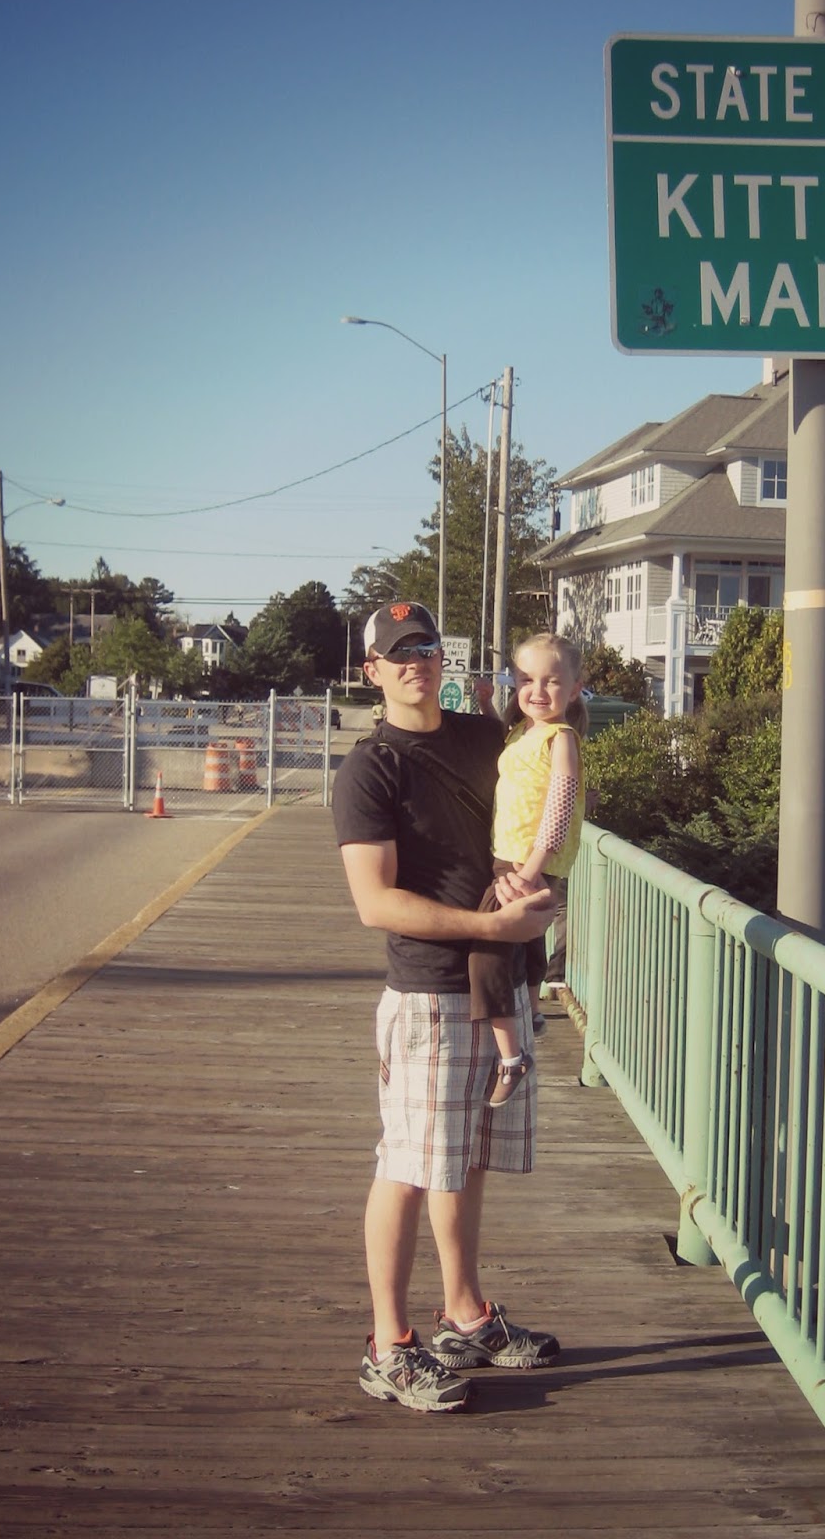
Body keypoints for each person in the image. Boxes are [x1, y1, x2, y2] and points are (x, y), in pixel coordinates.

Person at [332, 600, 560, 1414]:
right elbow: (376, 902)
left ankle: (464, 1316)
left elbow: (540, 797)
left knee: (464, 1159)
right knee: (407, 1164)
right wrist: (490, 926)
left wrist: (542, 881)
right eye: (398, 653)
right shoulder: (370, 769)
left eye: (425, 646)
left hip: (502, 983)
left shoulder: (482, 738)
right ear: (373, 670)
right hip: (430, 991)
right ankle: (389, 1345)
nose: (415, 661)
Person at [469, 634, 587, 1105]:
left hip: (526, 863)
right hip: (512, 856)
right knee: (527, 945)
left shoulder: (561, 739)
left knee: (487, 954)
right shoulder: (525, 730)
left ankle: (511, 1058)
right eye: (525, 680)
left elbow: (560, 809)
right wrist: (485, 706)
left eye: (551, 681)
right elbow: (508, 751)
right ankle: (532, 1012)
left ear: (574, 689)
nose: (537, 691)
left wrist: (531, 872)